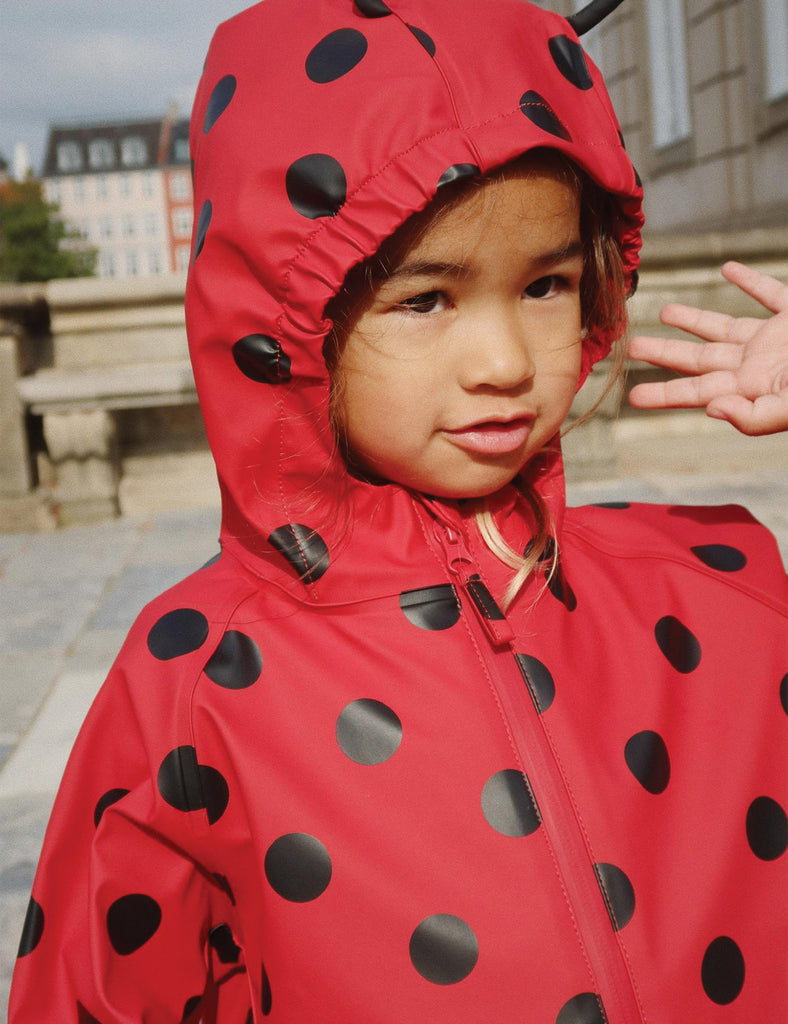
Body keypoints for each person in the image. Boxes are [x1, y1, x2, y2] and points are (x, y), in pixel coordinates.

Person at [9, 0, 787, 1021]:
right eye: (425, 299)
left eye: (546, 284)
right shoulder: (196, 677)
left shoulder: (715, 578)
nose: (505, 362)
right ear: (288, 323)